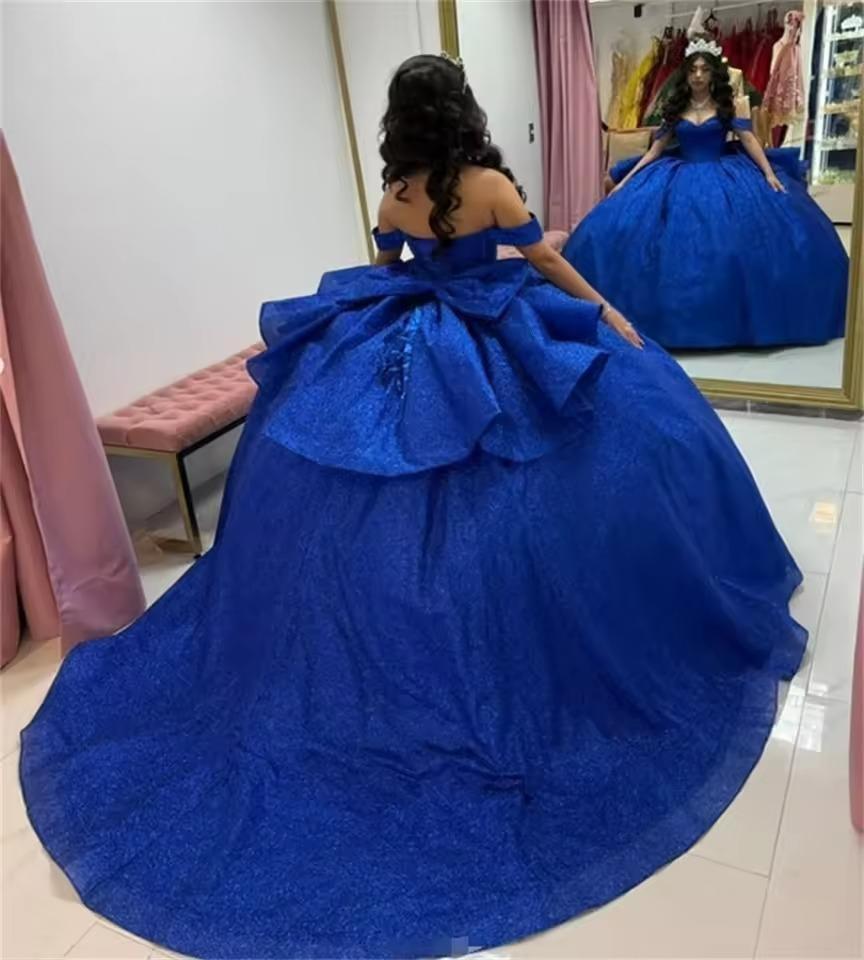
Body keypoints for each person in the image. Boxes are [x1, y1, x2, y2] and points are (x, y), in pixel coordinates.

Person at [21, 54, 806, 960]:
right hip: (493, 325)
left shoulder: (398, 192)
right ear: (461, 110)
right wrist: (608, 314)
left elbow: (387, 266)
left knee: (370, 461)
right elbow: (544, 258)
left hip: (412, 331)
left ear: (401, 119)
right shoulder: (491, 186)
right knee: (568, 447)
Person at [565, 38, 848, 350]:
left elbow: (749, 140)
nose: (698, 75)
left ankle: (735, 317)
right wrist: (627, 180)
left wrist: (768, 173)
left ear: (713, 74)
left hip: (724, 173)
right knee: (636, 236)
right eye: (693, 70)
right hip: (679, 172)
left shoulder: (727, 106)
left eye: (704, 70)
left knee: (744, 241)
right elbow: (655, 150)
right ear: (686, 74)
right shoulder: (675, 110)